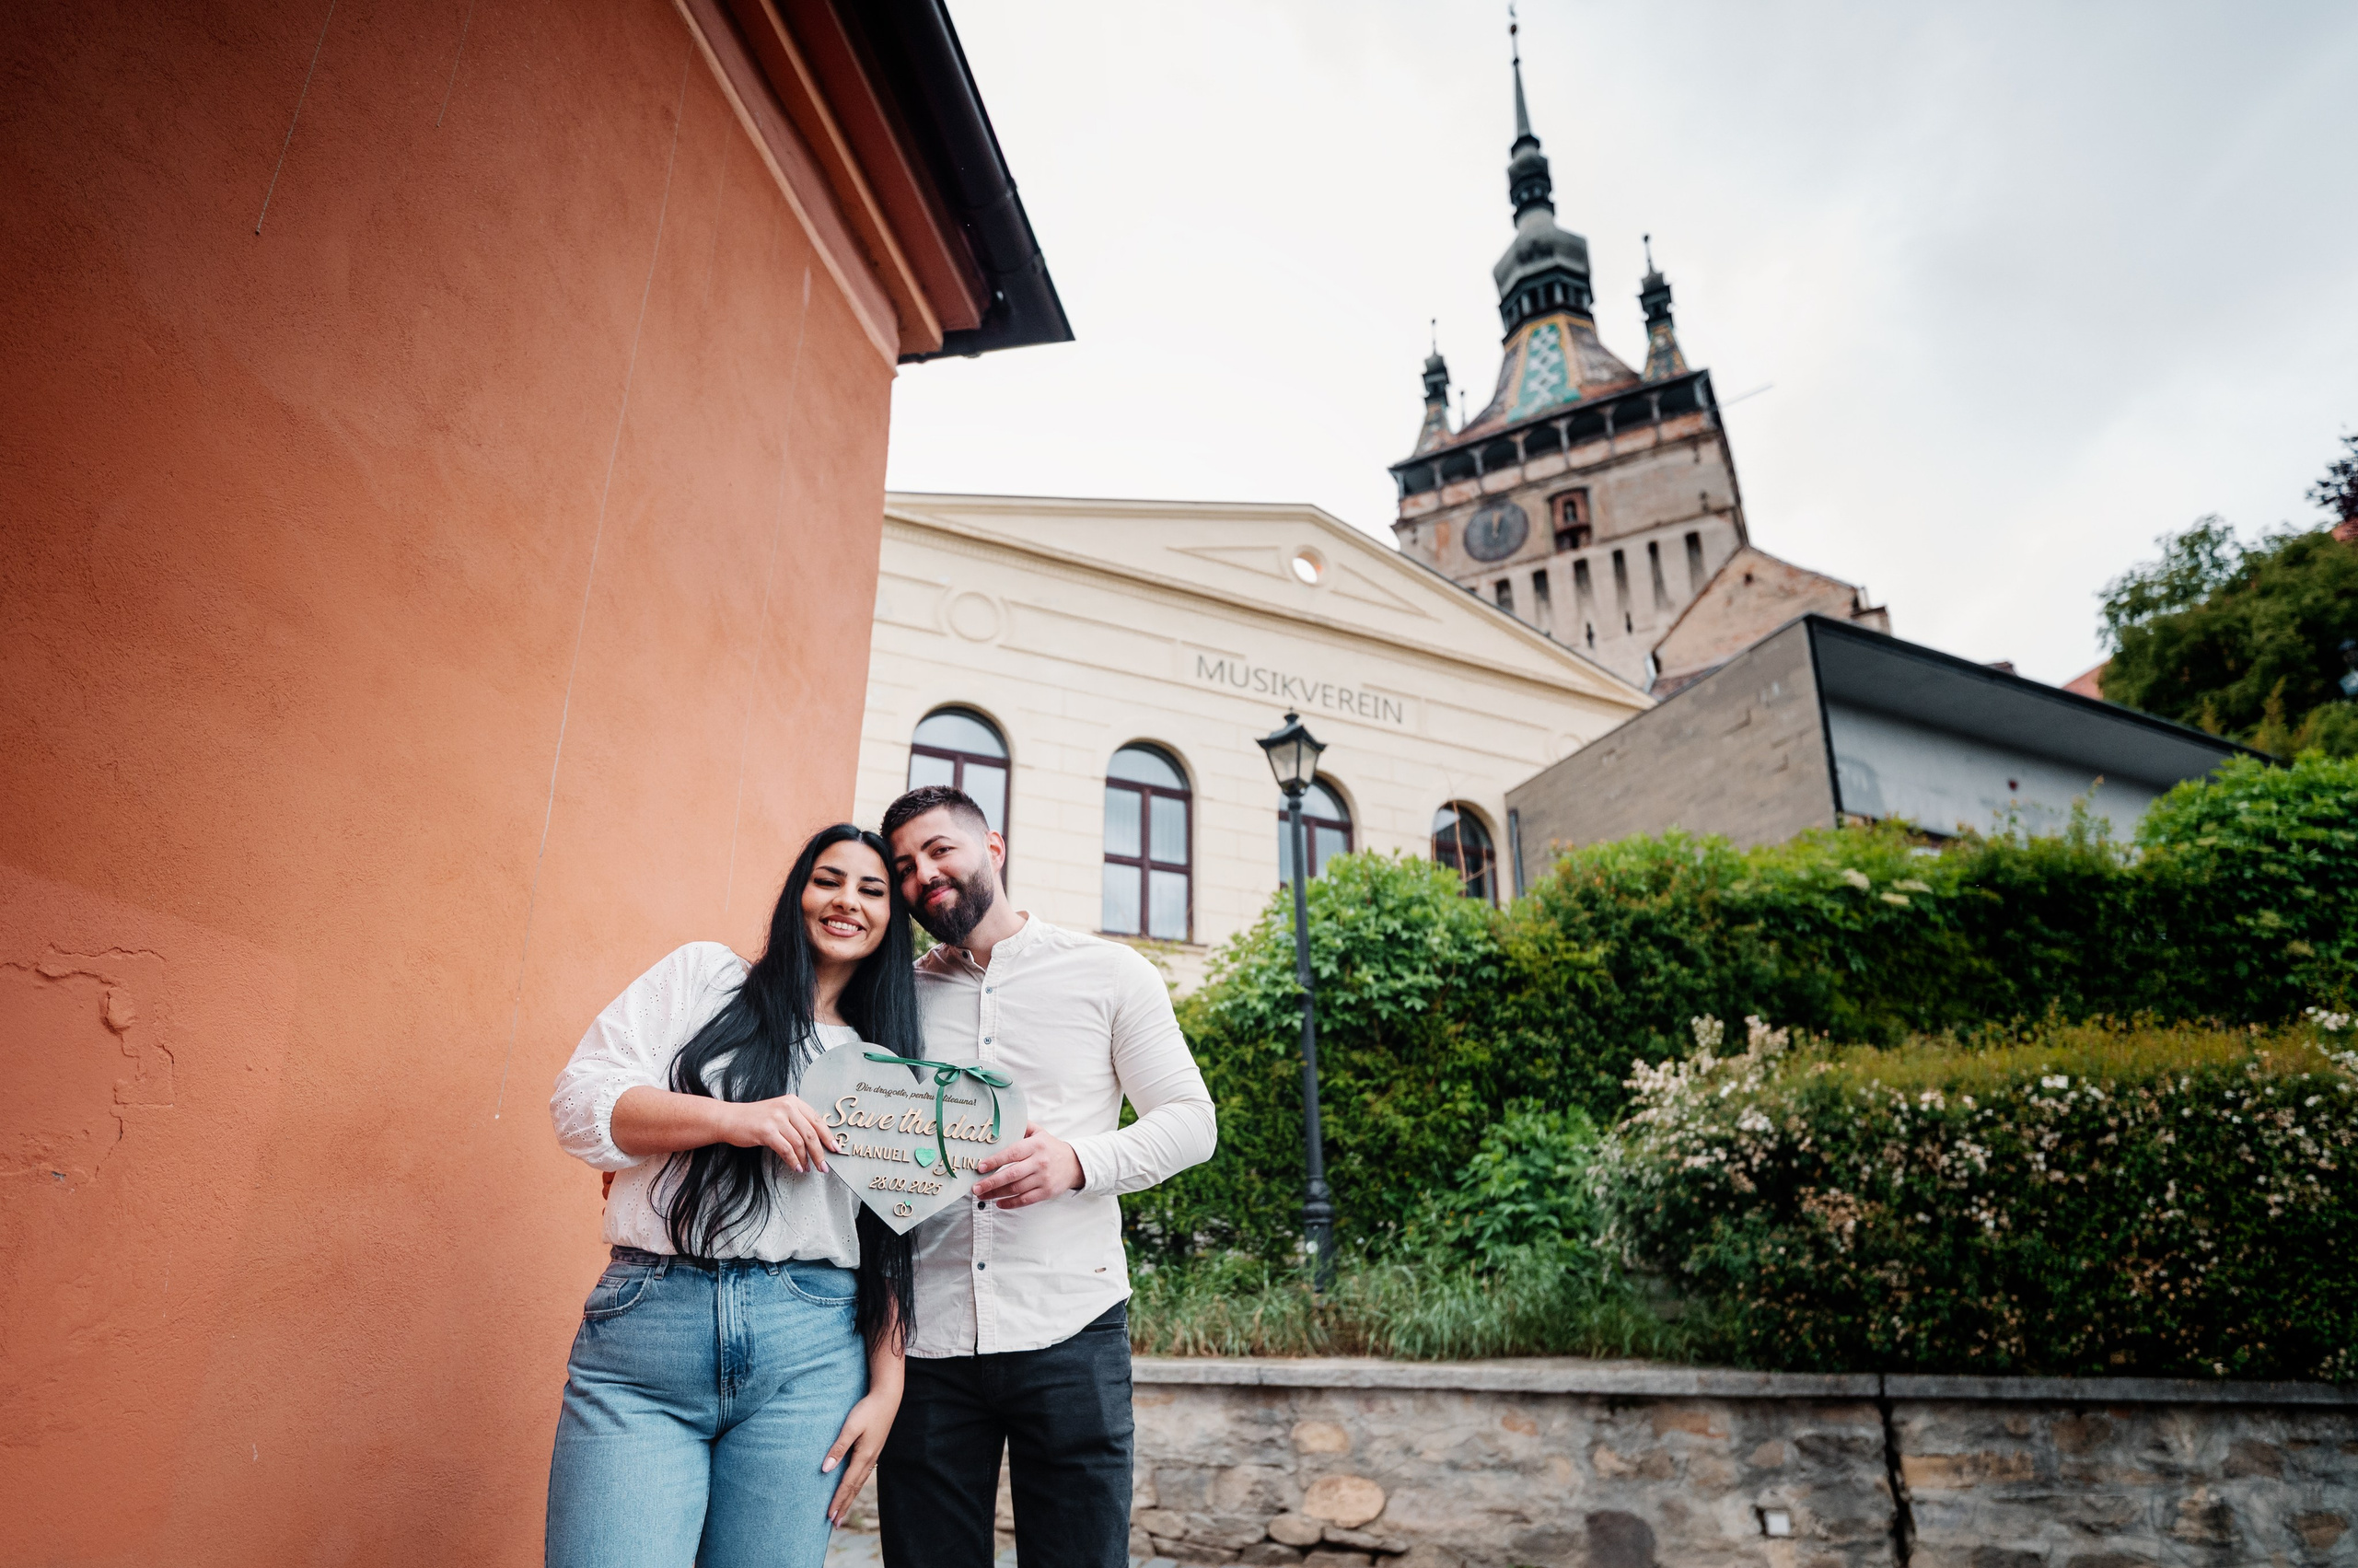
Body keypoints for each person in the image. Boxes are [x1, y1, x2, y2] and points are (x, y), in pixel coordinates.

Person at [545, 824, 919, 1568]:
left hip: (811, 1354)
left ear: (890, 922)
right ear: (797, 895)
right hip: (649, 1330)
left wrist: (888, 1387)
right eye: (828, 879)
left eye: (872, 890)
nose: (847, 900)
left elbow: (886, 1239)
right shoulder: (703, 979)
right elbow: (582, 1105)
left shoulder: (882, 1064)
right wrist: (733, 1118)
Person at [876, 784, 1218, 1568]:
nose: (924, 874)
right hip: (928, 1337)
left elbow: (1191, 1120)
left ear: (991, 849)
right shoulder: (893, 996)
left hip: (1072, 1327)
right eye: (904, 866)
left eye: (939, 850)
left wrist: (1076, 1161)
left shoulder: (1109, 972)